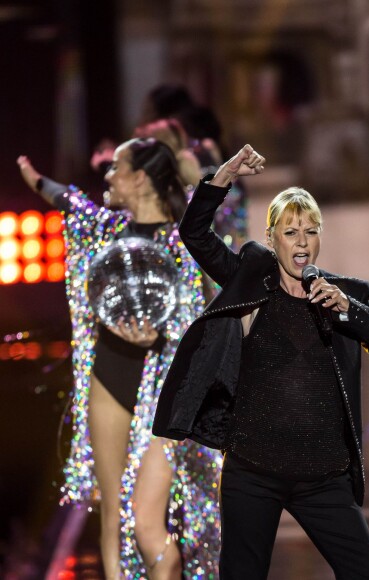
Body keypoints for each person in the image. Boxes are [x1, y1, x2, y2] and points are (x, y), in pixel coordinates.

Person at [153, 144, 369, 579]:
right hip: (254, 473)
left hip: (324, 478)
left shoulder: (343, 296)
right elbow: (194, 234)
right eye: (291, 232)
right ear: (272, 238)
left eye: (310, 231)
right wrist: (223, 177)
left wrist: (348, 308)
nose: (302, 242)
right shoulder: (250, 280)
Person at [17, 139, 221, 579]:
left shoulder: (185, 238)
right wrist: (34, 179)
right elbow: (68, 200)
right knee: (112, 513)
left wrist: (160, 335)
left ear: (139, 179)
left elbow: (195, 323)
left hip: (162, 392)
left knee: (148, 524)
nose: (107, 177)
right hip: (109, 377)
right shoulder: (106, 229)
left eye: (115, 169)